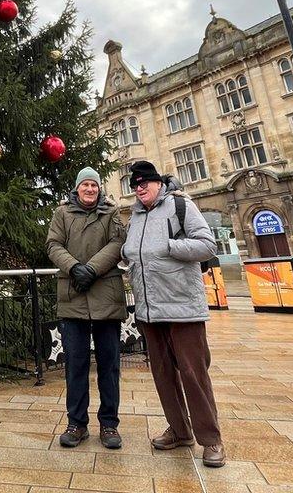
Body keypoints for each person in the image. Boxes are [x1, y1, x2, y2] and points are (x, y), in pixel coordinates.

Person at [121, 160, 226, 468]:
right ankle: (180, 431)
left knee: (194, 375)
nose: (140, 189)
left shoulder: (180, 205)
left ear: (157, 184)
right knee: (163, 374)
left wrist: (168, 246)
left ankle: (211, 439)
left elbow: (207, 245)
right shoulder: (135, 216)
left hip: (182, 306)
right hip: (149, 309)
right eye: (135, 186)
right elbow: (133, 252)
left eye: (145, 184)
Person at [46, 166, 127, 450]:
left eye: (94, 185)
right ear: (77, 188)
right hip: (73, 296)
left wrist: (90, 269)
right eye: (85, 185)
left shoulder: (111, 213)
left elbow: (118, 243)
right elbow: (53, 244)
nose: (90, 190)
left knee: (109, 365)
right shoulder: (62, 214)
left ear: (99, 188)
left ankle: (109, 424)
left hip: (105, 294)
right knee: (76, 364)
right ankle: (77, 423)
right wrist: (74, 267)